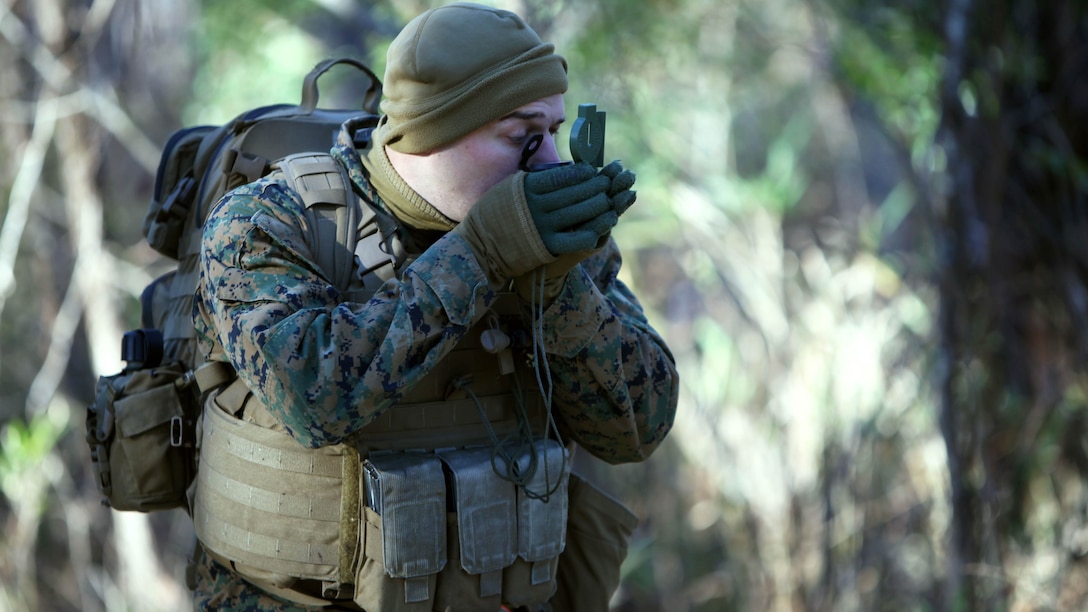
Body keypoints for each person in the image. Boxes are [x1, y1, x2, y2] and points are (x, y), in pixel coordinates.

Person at [188, 3, 679, 610]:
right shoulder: (270, 220)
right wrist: (481, 256)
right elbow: (313, 396)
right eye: (523, 136)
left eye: (552, 131)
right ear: (434, 131)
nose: (549, 162)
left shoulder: (540, 232)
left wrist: (555, 287)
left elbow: (638, 427)